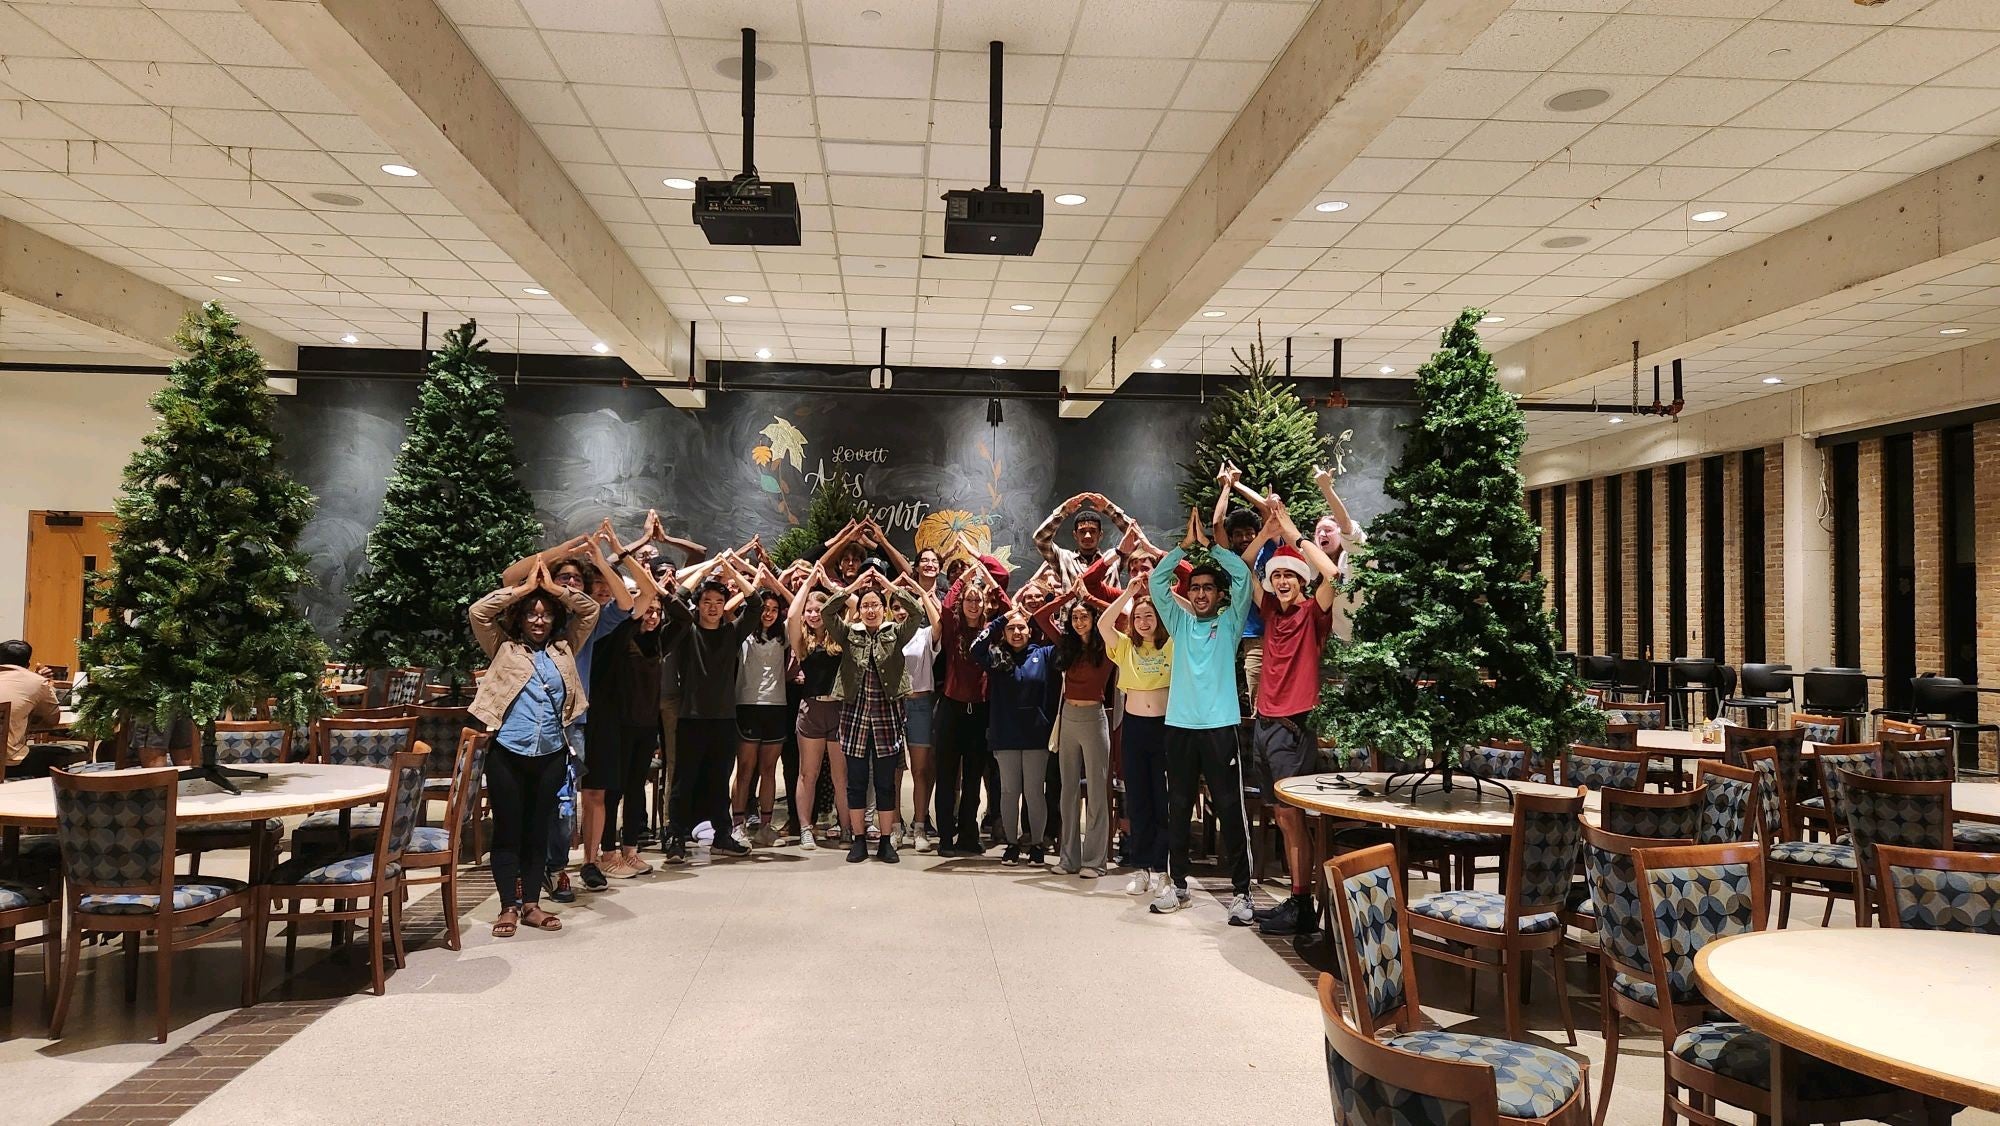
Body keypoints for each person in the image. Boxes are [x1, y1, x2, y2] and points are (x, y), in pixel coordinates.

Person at [469, 560, 599, 936]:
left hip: (552, 753)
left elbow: (588, 609)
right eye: (531, 614)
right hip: (508, 752)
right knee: (508, 830)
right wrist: (525, 589)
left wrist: (555, 590)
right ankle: (507, 905)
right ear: (520, 618)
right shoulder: (503, 646)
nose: (538, 621)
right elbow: (479, 612)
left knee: (537, 830)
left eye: (545, 615)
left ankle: (531, 906)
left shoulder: (565, 647)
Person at [1148, 487, 1256, 924]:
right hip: (1179, 726)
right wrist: (1183, 549)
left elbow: (1244, 578)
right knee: (1178, 806)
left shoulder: (1229, 622)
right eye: (1195, 588)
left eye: (1209, 589)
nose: (1201, 594)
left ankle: (1243, 893)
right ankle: (1178, 886)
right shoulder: (1179, 621)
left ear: (1219, 595)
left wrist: (1212, 547)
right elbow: (1158, 581)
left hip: (1219, 726)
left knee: (1230, 806)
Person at [1239, 496, 1342, 937]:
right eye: (1276, 575)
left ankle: (1303, 903)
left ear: (1301, 580)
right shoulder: (1269, 611)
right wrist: (1269, 529)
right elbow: (1244, 565)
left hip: (1293, 727)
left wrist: (1295, 535)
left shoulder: (1311, 612)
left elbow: (1333, 574)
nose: (1281, 582)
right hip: (1265, 723)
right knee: (1281, 816)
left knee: (1293, 816)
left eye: (1289, 575)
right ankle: (1297, 898)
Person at [825, 568, 923, 863]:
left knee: (885, 782)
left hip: (887, 717)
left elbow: (917, 613)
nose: (870, 610)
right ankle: (857, 839)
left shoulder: (895, 632)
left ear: (883, 609)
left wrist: (891, 587)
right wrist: (851, 589)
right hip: (855, 716)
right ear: (860, 609)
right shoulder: (848, 633)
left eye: (875, 605)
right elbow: (830, 613)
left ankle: (884, 840)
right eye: (865, 605)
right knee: (855, 781)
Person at [660, 573, 759, 861]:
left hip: (724, 718)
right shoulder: (685, 631)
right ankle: (676, 836)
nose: (713, 607)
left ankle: (722, 836)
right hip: (691, 717)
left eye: (719, 602)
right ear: (699, 605)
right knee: (684, 781)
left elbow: (755, 604)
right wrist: (704, 573)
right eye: (707, 602)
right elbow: (676, 601)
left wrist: (734, 569)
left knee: (719, 781)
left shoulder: (731, 633)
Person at [1035, 583, 1115, 878]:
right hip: (1068, 717)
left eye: (1085, 616)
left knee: (1096, 792)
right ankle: (1068, 858)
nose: (1080, 622)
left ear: (1094, 619)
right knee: (1067, 790)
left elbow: (1119, 617)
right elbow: (1041, 618)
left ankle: (1095, 861)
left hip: (1094, 718)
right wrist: (1069, 596)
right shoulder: (1066, 646)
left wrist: (1090, 598)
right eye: (1075, 617)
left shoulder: (1107, 645)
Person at [1098, 579, 1172, 897]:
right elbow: (1103, 623)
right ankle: (1141, 869)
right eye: (1138, 617)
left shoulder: (1172, 644)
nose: (1143, 622)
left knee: (1163, 801)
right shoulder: (1126, 647)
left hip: (1166, 730)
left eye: (1149, 615)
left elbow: (1185, 616)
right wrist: (1128, 594)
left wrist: (1161, 594)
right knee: (1138, 800)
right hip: (1134, 729)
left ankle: (1163, 871)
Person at [934, 551, 1008, 856]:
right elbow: (948, 602)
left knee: (975, 777)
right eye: (969, 600)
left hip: (980, 711)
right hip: (951, 709)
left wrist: (985, 574)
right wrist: (965, 577)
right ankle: (945, 839)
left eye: (978, 600)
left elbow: (1007, 605)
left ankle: (968, 834)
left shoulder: (991, 630)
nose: (974, 605)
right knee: (947, 777)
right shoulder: (952, 628)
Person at [972, 609, 1058, 867]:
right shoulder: (997, 657)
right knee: (1009, 792)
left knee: (1034, 793)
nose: (1017, 632)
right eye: (1011, 628)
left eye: (1021, 627)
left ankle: (1036, 845)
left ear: (1030, 631)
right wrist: (1000, 620)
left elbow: (1064, 643)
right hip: (1005, 736)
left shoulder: (1043, 654)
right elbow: (977, 647)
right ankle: (1011, 843)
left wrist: (1044, 612)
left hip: (1036, 736)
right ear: (1004, 633)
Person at [594, 596, 665, 879]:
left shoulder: (659, 642)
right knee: (614, 790)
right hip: (619, 723)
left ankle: (630, 850)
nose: (653, 617)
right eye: (648, 611)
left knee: (636, 788)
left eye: (657, 612)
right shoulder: (621, 639)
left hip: (646, 726)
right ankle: (608, 852)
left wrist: (665, 595)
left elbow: (683, 620)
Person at [786, 581, 849, 850]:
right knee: (807, 774)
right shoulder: (802, 640)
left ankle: (847, 828)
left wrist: (829, 588)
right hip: (811, 710)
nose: (813, 614)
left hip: (837, 709)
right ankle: (805, 828)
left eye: (819, 609)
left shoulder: (839, 636)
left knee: (840, 776)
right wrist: (810, 580)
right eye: (809, 610)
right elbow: (791, 615)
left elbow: (853, 605)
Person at [734, 588, 791, 848]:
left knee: (769, 770)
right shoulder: (744, 632)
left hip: (776, 706)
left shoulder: (784, 634)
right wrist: (754, 589)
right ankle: (737, 826)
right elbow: (725, 610)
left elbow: (797, 605)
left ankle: (766, 827)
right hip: (747, 705)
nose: (768, 614)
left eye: (773, 609)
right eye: (764, 609)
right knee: (745, 769)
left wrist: (775, 584)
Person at [897, 576, 942, 853]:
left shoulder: (924, 635)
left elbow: (939, 625)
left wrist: (921, 592)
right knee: (892, 769)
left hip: (921, 704)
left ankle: (920, 825)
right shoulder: (886, 632)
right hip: (892, 706)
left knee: (921, 770)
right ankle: (894, 825)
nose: (902, 611)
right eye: (898, 607)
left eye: (907, 606)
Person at [1034, 492, 1137, 585]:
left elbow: (1136, 537)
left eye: (1092, 531)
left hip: (1109, 606)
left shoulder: (1114, 558)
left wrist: (1109, 509)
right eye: (1082, 532)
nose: (1087, 536)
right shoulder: (1064, 559)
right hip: (1074, 606)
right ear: (1075, 535)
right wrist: (1063, 511)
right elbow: (1040, 539)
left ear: (1100, 535)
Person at [0, 640, 62, 774]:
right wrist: (44, 685)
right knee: (54, 757)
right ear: (27, 664)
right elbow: (53, 719)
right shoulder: (36, 682)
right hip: (8, 764)